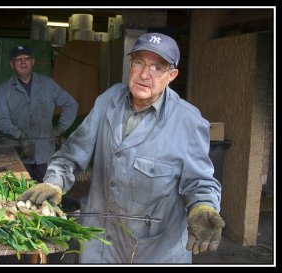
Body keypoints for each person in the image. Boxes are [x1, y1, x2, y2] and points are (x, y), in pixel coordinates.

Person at [18, 32, 225, 263]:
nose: (145, 74)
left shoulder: (188, 121)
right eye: (139, 62)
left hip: (154, 249)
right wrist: (54, 182)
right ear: (131, 65)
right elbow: (71, 153)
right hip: (101, 241)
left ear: (171, 75)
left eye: (157, 67)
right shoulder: (108, 100)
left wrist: (203, 208)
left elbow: (200, 182)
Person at [0, 45, 78, 182]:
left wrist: (59, 129)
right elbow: (0, 119)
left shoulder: (48, 84)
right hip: (18, 154)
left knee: (47, 192)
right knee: (21, 195)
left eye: (26, 58)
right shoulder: (4, 90)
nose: (23, 62)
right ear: (12, 64)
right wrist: (20, 135)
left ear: (32, 61)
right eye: (18, 59)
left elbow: (71, 105)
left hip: (45, 154)